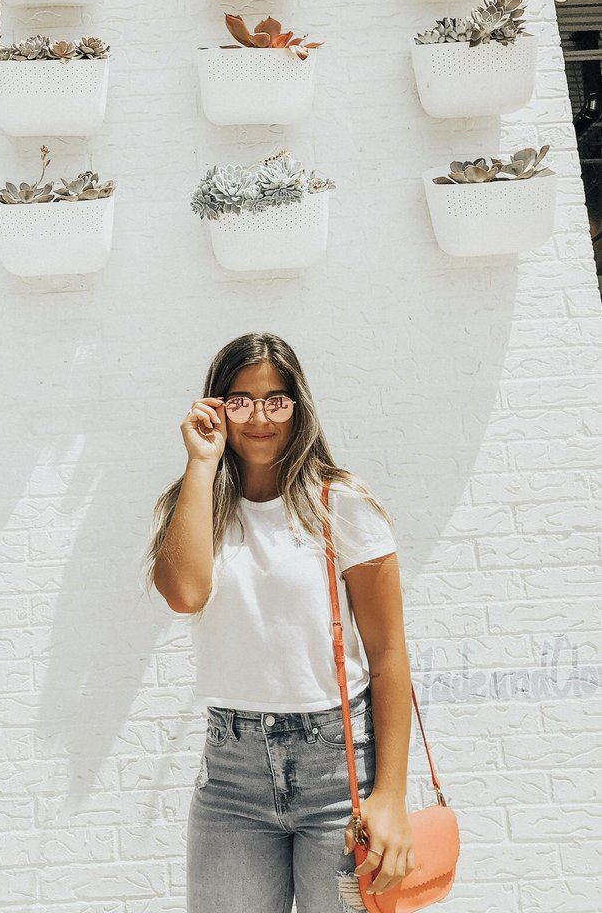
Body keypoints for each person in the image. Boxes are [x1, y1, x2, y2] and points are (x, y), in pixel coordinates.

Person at [144, 331, 416, 912]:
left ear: (299, 406)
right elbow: (185, 595)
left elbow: (389, 655)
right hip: (232, 777)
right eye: (240, 400)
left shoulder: (340, 504)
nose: (260, 417)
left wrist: (390, 795)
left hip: (339, 772)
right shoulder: (196, 506)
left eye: (276, 400)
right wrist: (200, 463)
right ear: (216, 407)